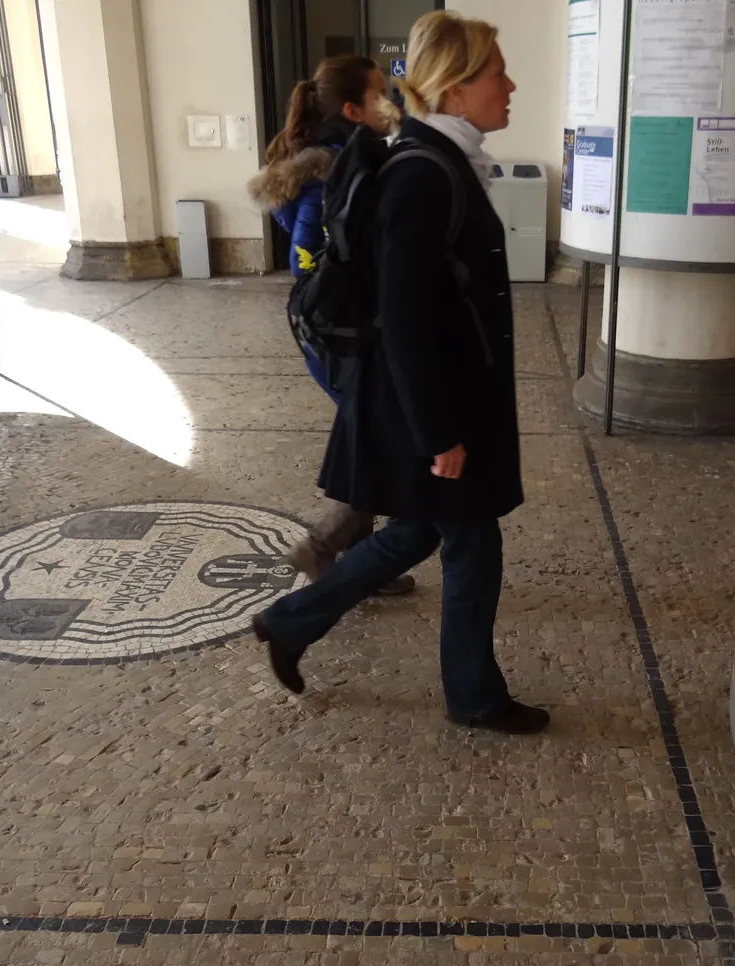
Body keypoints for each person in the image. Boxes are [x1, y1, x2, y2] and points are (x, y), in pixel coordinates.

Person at [252, 11, 549, 735]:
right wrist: (438, 432)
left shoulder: (442, 159)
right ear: (454, 87)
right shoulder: (423, 173)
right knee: (471, 542)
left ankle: (291, 622)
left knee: (421, 528)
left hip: (442, 394)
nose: (511, 85)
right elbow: (405, 314)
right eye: (496, 73)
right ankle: (473, 696)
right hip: (433, 403)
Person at [247, 55, 412, 595]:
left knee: (367, 437)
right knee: (379, 437)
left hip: (337, 329)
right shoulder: (333, 171)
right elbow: (310, 259)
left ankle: (359, 564)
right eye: (379, 93)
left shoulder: (338, 159)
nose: (390, 101)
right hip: (338, 333)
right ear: (352, 110)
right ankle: (322, 549)